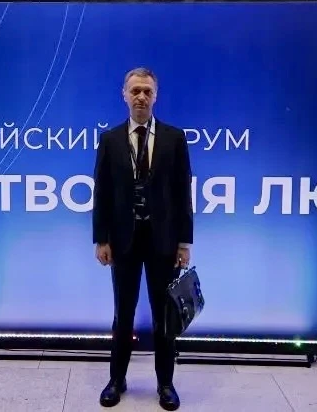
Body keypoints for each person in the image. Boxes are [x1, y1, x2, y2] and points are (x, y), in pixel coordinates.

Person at [92, 67, 193, 410]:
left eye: (147, 91)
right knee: (123, 314)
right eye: (135, 91)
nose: (141, 97)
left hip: (163, 241)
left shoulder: (174, 138)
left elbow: (183, 194)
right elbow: (102, 194)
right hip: (123, 241)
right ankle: (116, 380)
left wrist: (184, 242)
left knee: (164, 317)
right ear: (124, 95)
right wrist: (101, 239)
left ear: (155, 96)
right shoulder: (109, 140)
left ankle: (165, 383)